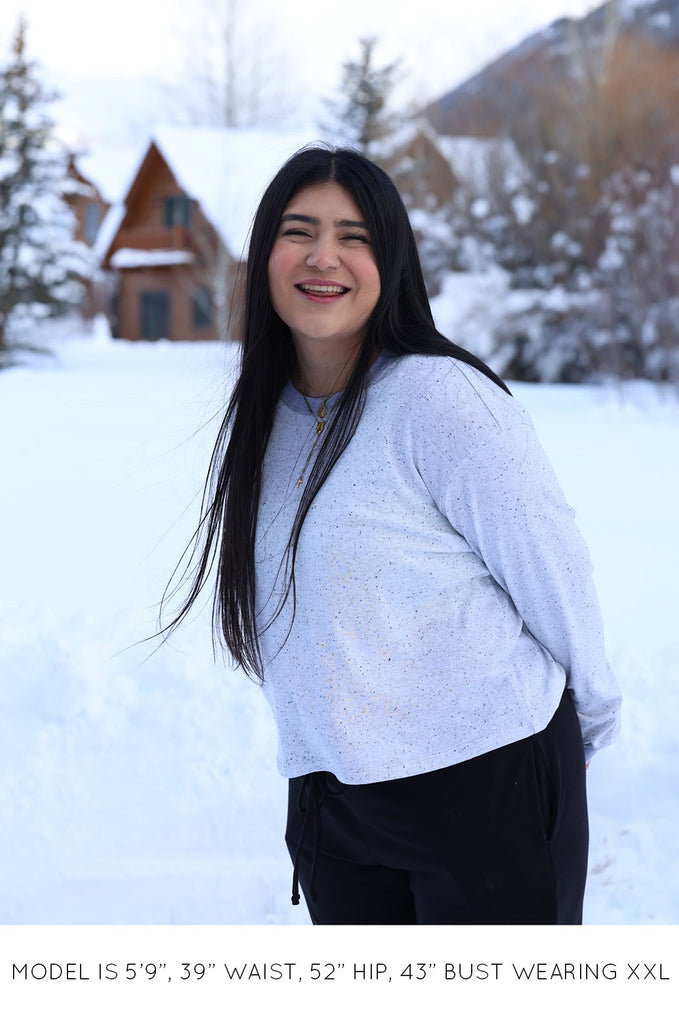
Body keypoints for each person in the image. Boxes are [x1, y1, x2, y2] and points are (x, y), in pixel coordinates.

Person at [163, 144, 621, 925]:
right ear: (265, 252)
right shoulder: (263, 416)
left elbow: (550, 565)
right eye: (298, 231)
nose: (322, 257)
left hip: (486, 786)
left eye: (355, 237)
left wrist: (589, 718)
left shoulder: (438, 399)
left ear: (392, 260)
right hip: (332, 806)